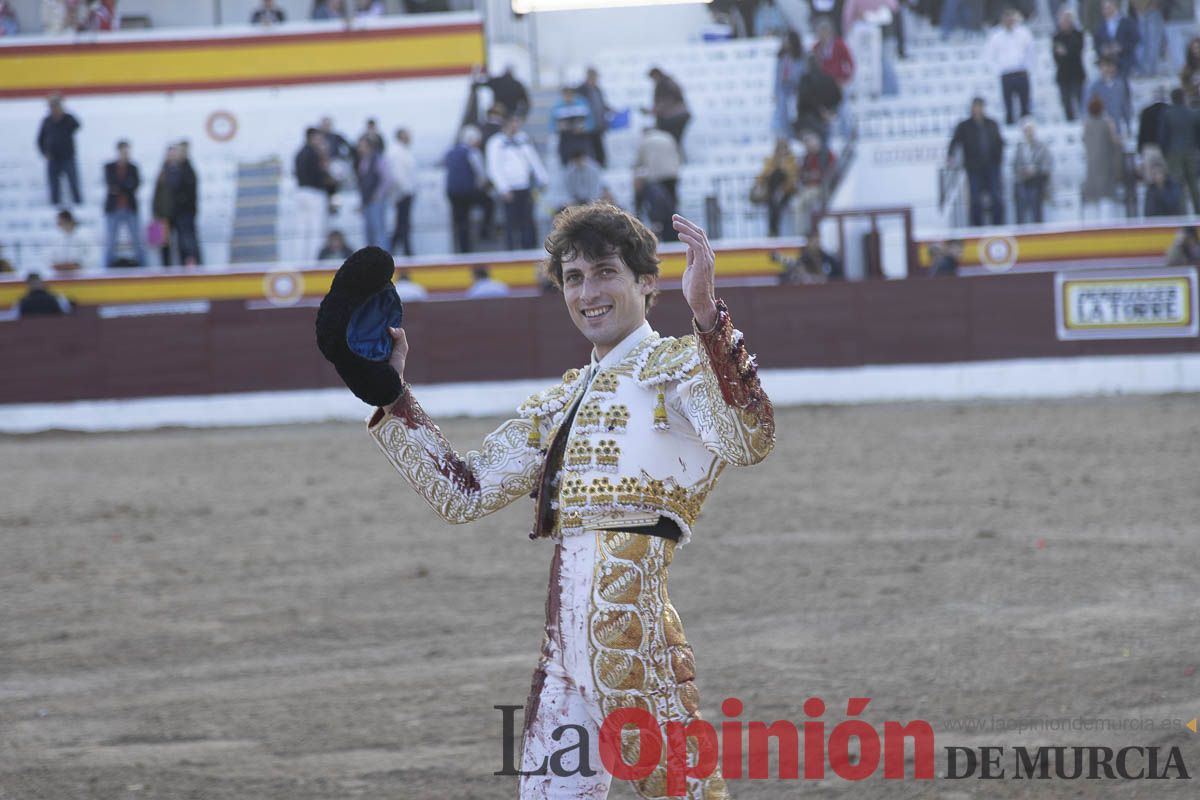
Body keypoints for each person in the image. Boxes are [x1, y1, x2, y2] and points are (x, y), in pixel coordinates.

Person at [350, 205, 773, 800]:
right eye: (573, 278)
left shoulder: (678, 367)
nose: (588, 292)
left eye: (605, 273)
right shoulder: (563, 400)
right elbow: (462, 492)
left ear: (647, 282)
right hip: (562, 650)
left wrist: (708, 315)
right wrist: (392, 395)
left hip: (632, 634)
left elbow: (747, 438)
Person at [485, 115, 548, 251]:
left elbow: (533, 159)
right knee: (510, 222)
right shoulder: (496, 142)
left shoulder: (523, 138)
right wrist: (503, 188)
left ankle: (529, 249)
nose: (516, 125)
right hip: (509, 188)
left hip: (525, 186)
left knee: (528, 220)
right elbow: (494, 167)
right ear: (506, 124)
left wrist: (542, 177)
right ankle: (511, 250)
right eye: (513, 122)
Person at [948, 97, 1005, 226]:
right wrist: (950, 155)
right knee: (975, 199)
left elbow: (1000, 142)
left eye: (980, 106)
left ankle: (998, 225)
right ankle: (977, 227)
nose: (978, 109)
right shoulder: (964, 125)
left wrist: (998, 160)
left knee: (996, 196)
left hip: (992, 167)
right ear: (972, 108)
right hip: (974, 168)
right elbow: (955, 141)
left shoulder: (992, 123)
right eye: (975, 107)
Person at [444, 125, 493, 254]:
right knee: (488, 203)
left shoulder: (451, 151)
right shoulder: (473, 152)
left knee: (460, 221)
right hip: (467, 191)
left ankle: (463, 249)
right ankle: (484, 232)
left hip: (452, 192)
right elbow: (481, 175)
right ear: (472, 140)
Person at [152, 144, 200, 267]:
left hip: (178, 213)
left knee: (183, 243)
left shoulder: (183, 170)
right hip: (164, 214)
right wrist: (156, 212)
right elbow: (157, 194)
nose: (172, 156)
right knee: (164, 244)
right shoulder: (162, 172)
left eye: (174, 153)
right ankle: (165, 268)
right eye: (170, 153)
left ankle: (186, 266)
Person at [985, 9, 1034, 126]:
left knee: (1025, 104)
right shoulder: (996, 36)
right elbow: (989, 56)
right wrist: (999, 70)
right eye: (1006, 18)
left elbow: (1031, 52)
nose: (1009, 21)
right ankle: (1010, 126)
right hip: (1006, 74)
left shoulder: (1024, 33)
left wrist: (1028, 68)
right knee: (1008, 105)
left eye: (1011, 18)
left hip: (1021, 72)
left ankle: (1027, 128)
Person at [103, 139, 147, 268]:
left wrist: (120, 187)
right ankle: (107, 268)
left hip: (130, 208)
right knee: (111, 241)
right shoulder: (109, 167)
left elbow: (135, 185)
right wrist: (126, 185)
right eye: (123, 151)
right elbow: (111, 184)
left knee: (137, 240)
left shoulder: (133, 167)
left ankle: (144, 267)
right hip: (113, 208)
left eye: (127, 151)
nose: (125, 154)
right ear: (118, 151)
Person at [633, 126, 681, 240]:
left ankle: (664, 233)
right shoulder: (667, 137)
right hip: (673, 174)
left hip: (657, 176)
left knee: (660, 206)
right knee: (672, 207)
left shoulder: (645, 141)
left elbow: (639, 162)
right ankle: (675, 232)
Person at [1081, 96, 1123, 221]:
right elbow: (1115, 144)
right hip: (1106, 168)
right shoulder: (1107, 123)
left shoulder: (1086, 125)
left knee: (1093, 206)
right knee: (1107, 204)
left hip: (1091, 170)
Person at [1159, 88, 1200, 213]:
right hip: (1191, 151)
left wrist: (1165, 153)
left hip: (1173, 153)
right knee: (1193, 183)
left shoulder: (1167, 114)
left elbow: (1163, 136)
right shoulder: (1193, 113)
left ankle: (1181, 212)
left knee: (1177, 183)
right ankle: (1198, 210)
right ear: (1183, 97)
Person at [37, 93, 82, 207]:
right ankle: (54, 205)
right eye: (52, 106)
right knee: (54, 185)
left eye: (56, 105)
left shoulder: (67, 118)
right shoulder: (47, 121)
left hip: (68, 157)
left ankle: (78, 204)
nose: (54, 108)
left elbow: (78, 125)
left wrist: (64, 114)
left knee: (73, 182)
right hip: (53, 158)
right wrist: (44, 153)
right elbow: (40, 139)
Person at [295, 127, 333, 262]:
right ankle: (314, 261)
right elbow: (321, 175)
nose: (320, 141)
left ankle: (301, 260)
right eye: (318, 138)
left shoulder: (299, 153)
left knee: (303, 230)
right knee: (317, 229)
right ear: (312, 138)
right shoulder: (315, 154)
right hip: (314, 193)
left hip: (301, 193)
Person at [752, 139, 800, 236]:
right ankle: (773, 231)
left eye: (783, 149)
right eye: (779, 150)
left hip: (787, 191)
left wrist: (783, 168)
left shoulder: (792, 161)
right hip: (773, 191)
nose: (781, 152)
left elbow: (792, 180)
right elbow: (763, 175)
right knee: (773, 204)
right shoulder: (771, 161)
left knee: (775, 203)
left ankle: (773, 231)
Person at [356, 136, 394, 251]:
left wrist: (378, 194)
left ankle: (383, 257)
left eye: (362, 145)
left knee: (379, 231)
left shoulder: (378, 159)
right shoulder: (363, 161)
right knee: (369, 232)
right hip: (367, 201)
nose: (360, 148)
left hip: (376, 201)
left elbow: (387, 179)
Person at [795, 53, 842, 143]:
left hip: (810, 121)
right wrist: (828, 112)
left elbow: (802, 102)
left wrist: (825, 112)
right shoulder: (829, 77)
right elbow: (839, 97)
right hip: (822, 119)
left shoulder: (805, 80)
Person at [1012, 118, 1052, 223]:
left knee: (1034, 193)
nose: (1028, 132)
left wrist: (1035, 170)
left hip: (1036, 180)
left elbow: (1047, 165)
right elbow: (1015, 166)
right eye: (1026, 130)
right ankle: (1020, 226)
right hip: (1023, 180)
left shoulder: (1041, 146)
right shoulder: (1019, 147)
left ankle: (1037, 224)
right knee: (1019, 191)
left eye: (1030, 130)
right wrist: (1023, 171)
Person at [796, 130, 836, 233]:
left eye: (809, 143)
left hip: (821, 187)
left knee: (803, 203)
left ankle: (810, 232)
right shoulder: (807, 157)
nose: (808, 146)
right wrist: (808, 176)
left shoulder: (827, 155)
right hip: (808, 187)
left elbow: (832, 171)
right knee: (798, 204)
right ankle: (803, 232)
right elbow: (802, 174)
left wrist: (818, 175)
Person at [576, 68, 614, 168]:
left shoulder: (597, 89)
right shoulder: (581, 90)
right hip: (587, 126)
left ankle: (601, 166)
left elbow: (601, 104)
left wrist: (609, 109)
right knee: (589, 149)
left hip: (598, 125)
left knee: (599, 148)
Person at [644, 67, 691, 147]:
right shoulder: (667, 82)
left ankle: (675, 157)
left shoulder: (664, 84)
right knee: (674, 141)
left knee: (671, 141)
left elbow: (666, 102)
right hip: (680, 115)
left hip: (675, 117)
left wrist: (653, 111)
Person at [1053, 9, 1085, 121]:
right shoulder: (1056, 37)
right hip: (1063, 75)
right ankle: (1070, 122)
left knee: (1080, 100)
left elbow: (1076, 51)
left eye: (1067, 21)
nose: (1064, 23)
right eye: (1062, 21)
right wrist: (1066, 52)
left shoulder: (1078, 35)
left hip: (1077, 73)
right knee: (1066, 102)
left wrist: (1065, 52)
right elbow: (1056, 56)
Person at [550, 85, 595, 166]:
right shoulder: (557, 107)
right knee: (566, 163)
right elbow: (551, 126)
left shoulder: (582, 103)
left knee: (585, 162)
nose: (568, 97)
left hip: (581, 138)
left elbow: (591, 121)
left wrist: (584, 128)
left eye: (570, 94)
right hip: (566, 139)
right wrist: (559, 127)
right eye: (565, 95)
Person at [1093, 0, 1138, 80]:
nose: (1106, 11)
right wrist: (1102, 49)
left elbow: (1134, 40)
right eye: (1104, 8)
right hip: (1107, 63)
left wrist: (1121, 47)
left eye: (1109, 8)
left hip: (1124, 61)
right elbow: (1096, 43)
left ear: (1115, 7)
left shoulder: (1126, 22)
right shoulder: (1100, 26)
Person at [1086, 57, 1131, 135]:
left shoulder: (1120, 84)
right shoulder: (1094, 86)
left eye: (1111, 66)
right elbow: (1087, 106)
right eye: (1105, 66)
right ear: (1100, 68)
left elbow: (1125, 105)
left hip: (1116, 126)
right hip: (1099, 126)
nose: (1108, 69)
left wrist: (1128, 125)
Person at [774, 32, 806, 141]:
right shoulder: (781, 56)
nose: (786, 43)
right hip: (784, 87)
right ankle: (787, 134)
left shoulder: (801, 56)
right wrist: (776, 92)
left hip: (797, 87)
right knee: (782, 108)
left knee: (795, 110)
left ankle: (797, 133)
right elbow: (777, 76)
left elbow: (803, 73)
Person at [390, 128, 416, 257]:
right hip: (402, 192)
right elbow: (397, 174)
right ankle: (406, 251)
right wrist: (405, 189)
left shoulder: (404, 151)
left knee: (402, 223)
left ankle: (396, 249)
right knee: (403, 223)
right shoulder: (397, 152)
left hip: (406, 191)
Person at [813, 17, 855, 86]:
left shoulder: (839, 44)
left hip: (838, 81)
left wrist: (846, 78)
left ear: (830, 32)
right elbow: (815, 66)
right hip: (822, 83)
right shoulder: (816, 47)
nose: (822, 35)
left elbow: (849, 61)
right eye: (820, 32)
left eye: (824, 31)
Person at [1137, 86, 1170, 155]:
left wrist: (1139, 148)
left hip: (1149, 147)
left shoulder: (1146, 111)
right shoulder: (1170, 110)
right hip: (1167, 148)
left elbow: (1142, 131)